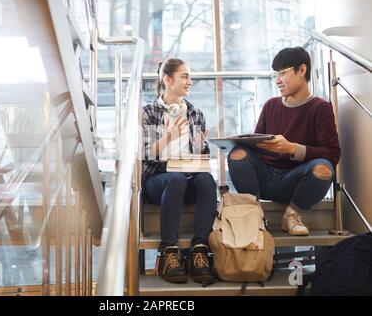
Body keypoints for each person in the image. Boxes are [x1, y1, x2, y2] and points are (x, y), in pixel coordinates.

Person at [227, 47, 341, 236]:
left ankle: (292, 215)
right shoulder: (271, 105)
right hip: (264, 178)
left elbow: (332, 154)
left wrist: (292, 149)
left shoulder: (321, 108)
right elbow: (255, 148)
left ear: (302, 70)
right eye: (275, 75)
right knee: (238, 153)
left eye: (282, 73)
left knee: (324, 167)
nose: (278, 80)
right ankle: (254, 215)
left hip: (295, 181)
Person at [142, 58, 217, 284]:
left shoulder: (195, 113)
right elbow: (143, 155)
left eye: (189, 76)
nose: (189, 81)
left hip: (188, 175)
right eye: (184, 76)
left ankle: (200, 250)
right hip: (158, 179)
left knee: (206, 180)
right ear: (168, 79)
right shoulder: (148, 113)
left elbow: (201, 159)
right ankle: (168, 251)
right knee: (175, 179)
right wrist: (168, 137)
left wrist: (200, 145)